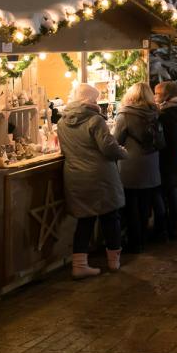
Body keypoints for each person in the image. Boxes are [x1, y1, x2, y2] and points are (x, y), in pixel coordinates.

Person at [58, 83, 127, 278]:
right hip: (100, 176)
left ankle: (79, 265)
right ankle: (114, 261)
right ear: (89, 100)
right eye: (95, 98)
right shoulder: (95, 121)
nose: (97, 102)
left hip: (75, 175)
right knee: (110, 217)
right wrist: (123, 153)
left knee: (85, 219)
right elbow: (108, 148)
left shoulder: (62, 122)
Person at [114, 82, 164, 253]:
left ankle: (135, 242)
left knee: (130, 205)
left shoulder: (125, 115)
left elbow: (116, 141)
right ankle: (143, 237)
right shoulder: (155, 113)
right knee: (144, 203)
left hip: (131, 164)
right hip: (151, 163)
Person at [154, 79, 177, 242]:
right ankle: (172, 229)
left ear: (166, 95)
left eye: (158, 94)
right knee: (171, 191)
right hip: (175, 157)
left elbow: (163, 139)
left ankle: (165, 230)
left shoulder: (167, 114)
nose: (155, 97)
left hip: (166, 158)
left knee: (165, 192)